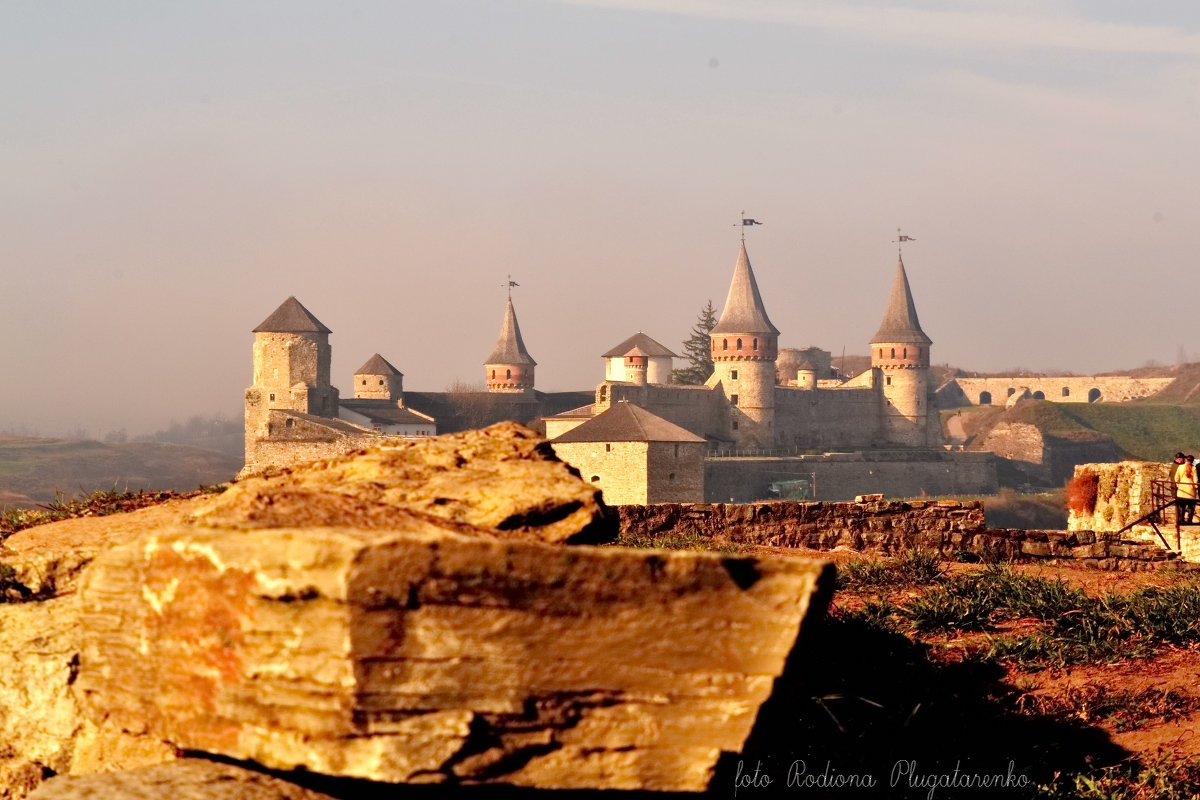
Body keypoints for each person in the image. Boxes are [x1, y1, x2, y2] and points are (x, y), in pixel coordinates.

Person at [1171, 452, 1197, 530]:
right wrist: (1195, 486)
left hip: (1182, 489)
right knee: (1191, 506)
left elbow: (1176, 478)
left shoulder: (1180, 467)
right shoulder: (1193, 468)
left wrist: (1178, 485)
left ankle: (1181, 520)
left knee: (1182, 506)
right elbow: (1195, 480)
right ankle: (1189, 521)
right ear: (1192, 461)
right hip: (1190, 490)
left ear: (1186, 460)